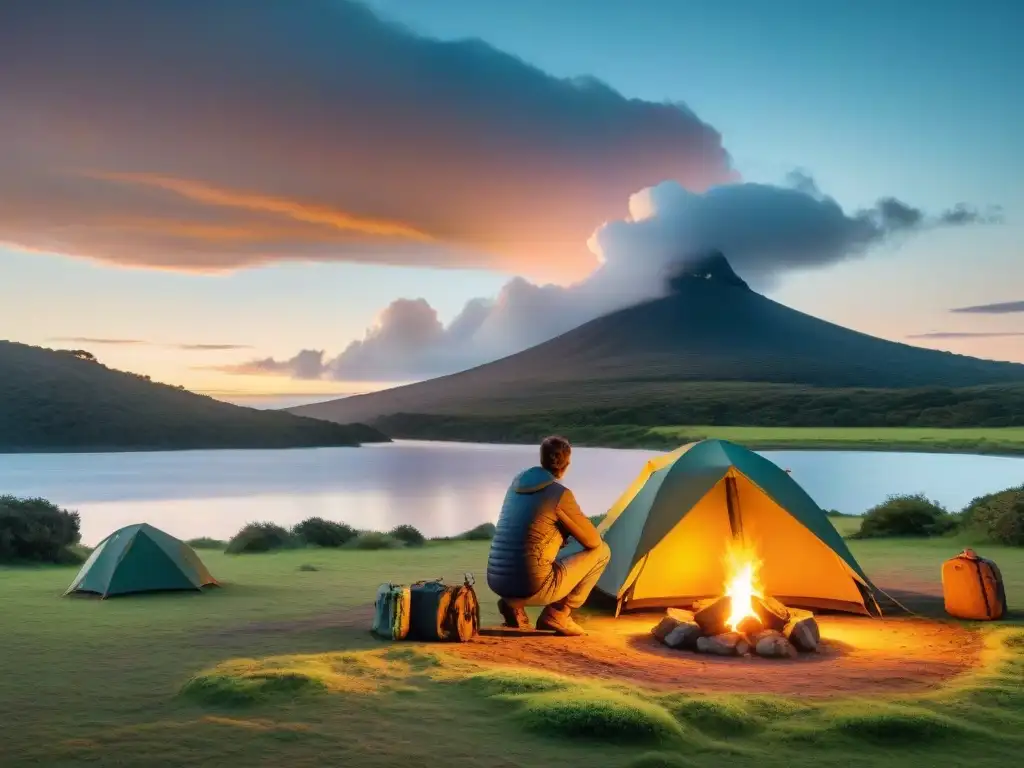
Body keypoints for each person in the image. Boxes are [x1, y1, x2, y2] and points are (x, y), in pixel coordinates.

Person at [486, 435, 611, 636]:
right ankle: (559, 614)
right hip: (533, 586)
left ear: (542, 458)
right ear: (567, 463)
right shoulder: (559, 495)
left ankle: (513, 606)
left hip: (498, 582)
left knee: (540, 548)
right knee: (602, 551)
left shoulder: (515, 486)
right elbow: (593, 541)